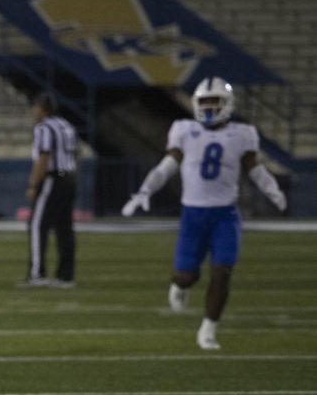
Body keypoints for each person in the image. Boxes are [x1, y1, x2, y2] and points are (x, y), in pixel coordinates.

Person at [121, 77, 287, 350]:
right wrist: (145, 190)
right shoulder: (184, 130)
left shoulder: (242, 134)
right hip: (193, 216)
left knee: (222, 271)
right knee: (186, 276)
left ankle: (208, 328)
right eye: (205, 102)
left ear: (227, 105)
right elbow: (167, 166)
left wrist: (272, 189)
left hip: (225, 215)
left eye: (215, 102)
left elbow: (255, 169)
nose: (209, 108)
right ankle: (181, 285)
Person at [24, 92, 77, 288]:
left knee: (38, 226)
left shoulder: (44, 128)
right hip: (69, 178)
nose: (33, 110)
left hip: (52, 180)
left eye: (35, 106)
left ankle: (36, 273)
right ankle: (66, 275)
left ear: (42, 108)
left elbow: (44, 158)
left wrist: (33, 185)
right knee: (65, 229)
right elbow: (75, 153)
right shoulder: (66, 125)